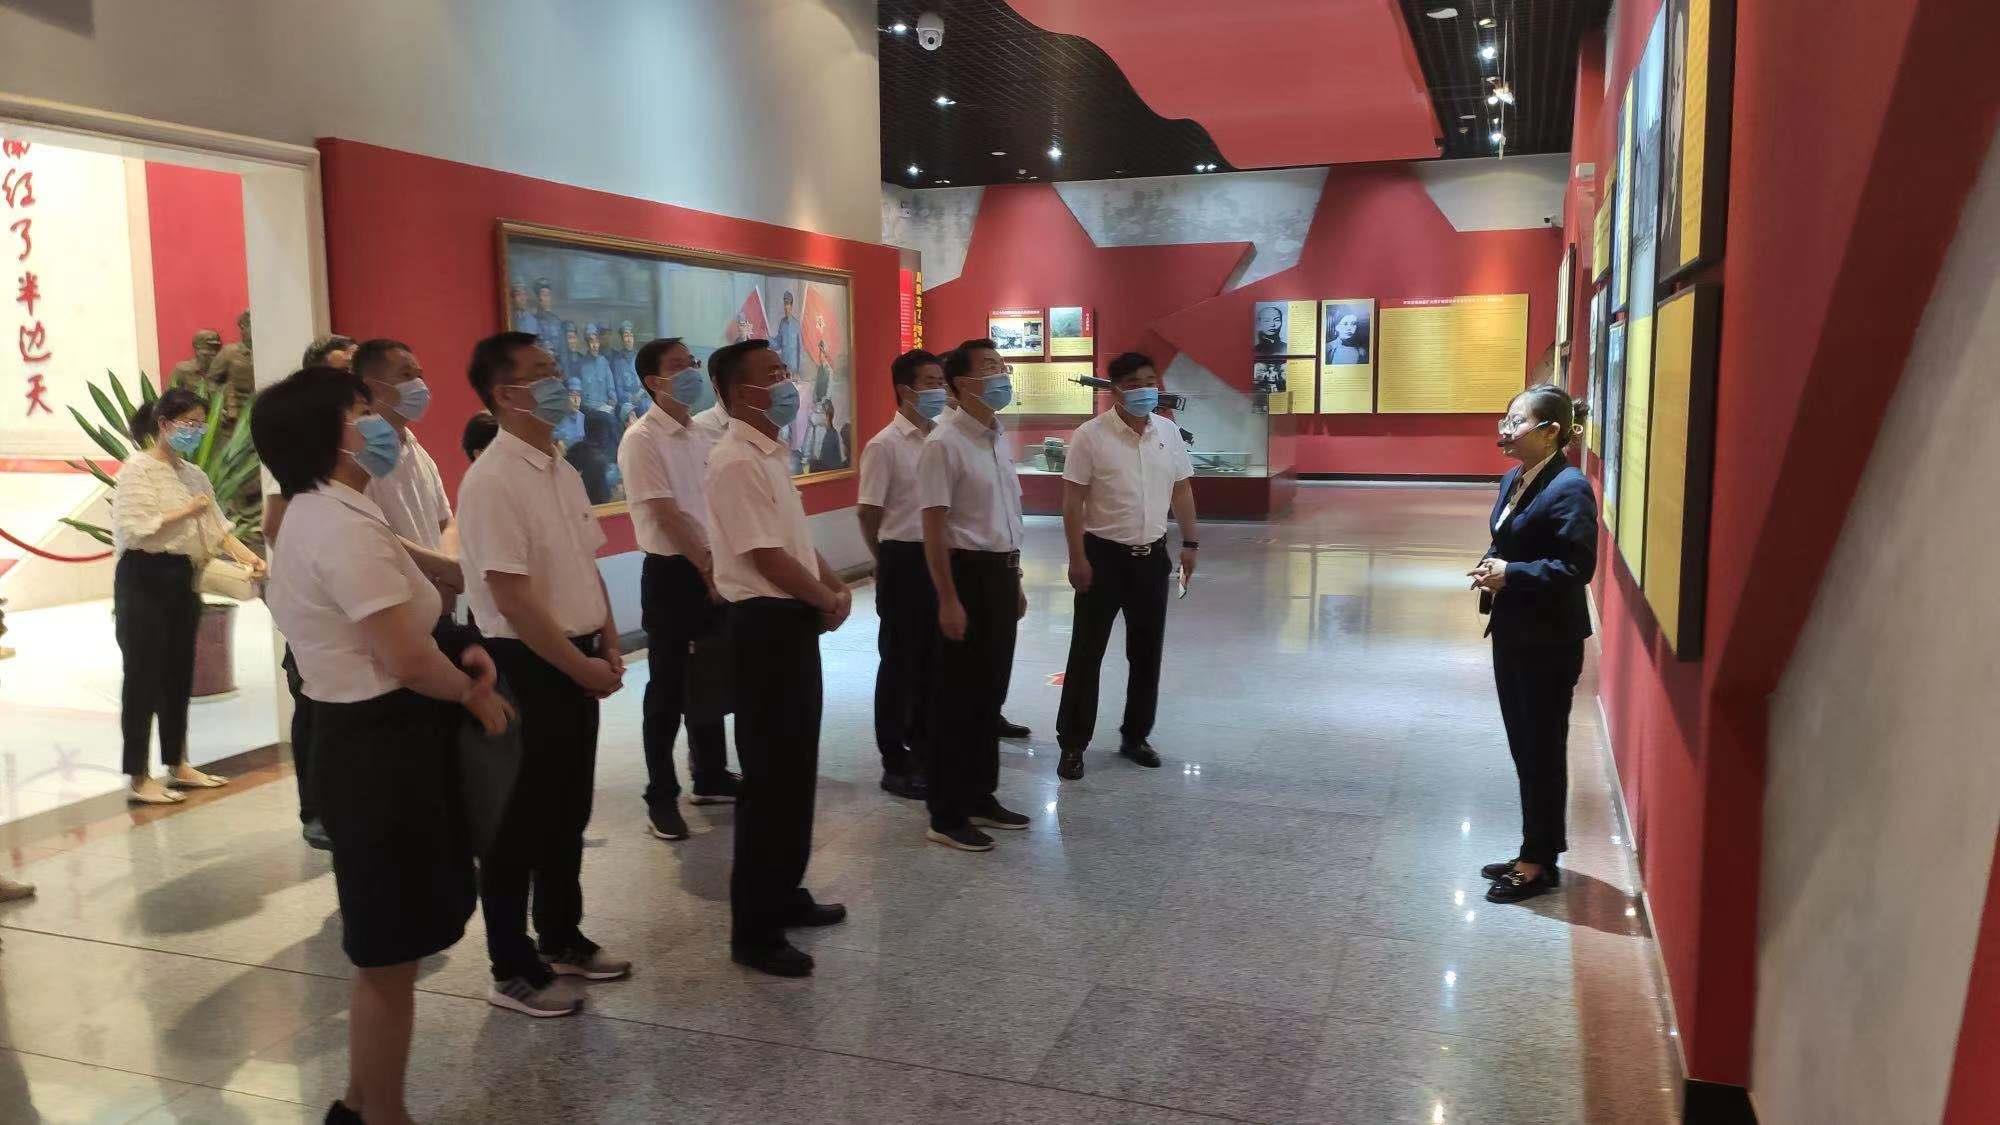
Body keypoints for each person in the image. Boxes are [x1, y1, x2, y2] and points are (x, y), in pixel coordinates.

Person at [254, 365, 513, 1125]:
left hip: (368, 741)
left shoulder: (327, 512)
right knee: (390, 952)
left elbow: (407, 624)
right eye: (360, 410)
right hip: (382, 750)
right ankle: (382, 1114)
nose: (379, 422)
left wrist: (459, 647)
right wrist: (473, 695)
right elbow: (402, 656)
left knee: (388, 950)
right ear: (325, 434)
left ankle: (362, 1103)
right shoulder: (338, 525)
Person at [460, 331, 631, 1015]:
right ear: (506, 394)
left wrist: (608, 643)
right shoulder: (493, 479)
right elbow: (512, 596)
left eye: (556, 368)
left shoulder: (559, 466)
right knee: (518, 821)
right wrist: (577, 662)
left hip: (574, 654)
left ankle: (562, 935)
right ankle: (511, 964)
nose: (560, 381)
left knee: (567, 809)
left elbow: (585, 564)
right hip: (527, 663)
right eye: (542, 372)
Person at [704, 338, 851, 977]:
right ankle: (754, 929)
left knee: (795, 767)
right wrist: (823, 597)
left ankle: (786, 891)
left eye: (784, 369)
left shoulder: (769, 454)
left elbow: (793, 541)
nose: (788, 382)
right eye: (773, 374)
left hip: (790, 623)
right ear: (743, 393)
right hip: (763, 626)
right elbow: (764, 556)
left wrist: (833, 585)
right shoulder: (734, 461)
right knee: (768, 779)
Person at [1469, 384, 1597, 904]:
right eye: (1506, 418)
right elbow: (1509, 537)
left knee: (1541, 748)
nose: (1506, 429)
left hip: (1548, 641)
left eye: (1517, 421)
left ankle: (1538, 862)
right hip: (1514, 631)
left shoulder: (1570, 487)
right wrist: (1492, 564)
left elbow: (1576, 567)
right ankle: (1537, 847)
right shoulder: (1516, 477)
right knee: (1525, 745)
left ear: (1551, 431)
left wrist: (1513, 574)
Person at [111, 387, 266, 805]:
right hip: (142, 577)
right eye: (189, 424)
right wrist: (188, 510)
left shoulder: (195, 475)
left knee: (178, 672)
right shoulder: (138, 469)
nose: (195, 432)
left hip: (182, 576)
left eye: (200, 424)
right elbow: (136, 527)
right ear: (164, 424)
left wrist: (252, 558)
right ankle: (138, 776)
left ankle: (178, 764)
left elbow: (218, 529)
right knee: (142, 676)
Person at [1055, 353, 1200, 781]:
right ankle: (1073, 743)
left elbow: (1182, 489)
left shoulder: (1167, 432)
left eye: (1150, 380)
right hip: (1102, 558)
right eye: (1135, 383)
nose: (1145, 390)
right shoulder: (1090, 436)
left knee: (1146, 652)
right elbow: (1072, 502)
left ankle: (1136, 736)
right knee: (1087, 653)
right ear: (1115, 389)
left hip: (1151, 558)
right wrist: (1077, 557)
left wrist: (1190, 541)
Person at [618, 337, 740, 841]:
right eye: (678, 366)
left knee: (711, 673)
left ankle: (710, 775)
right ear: (653, 381)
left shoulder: (701, 434)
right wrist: (707, 569)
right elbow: (666, 515)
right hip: (673, 574)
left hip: (713, 565)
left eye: (692, 362)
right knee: (667, 689)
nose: (690, 371)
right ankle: (660, 796)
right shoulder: (642, 438)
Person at [918, 340, 1033, 852]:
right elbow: (933, 528)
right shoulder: (943, 442)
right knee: (956, 698)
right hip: (965, 575)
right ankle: (945, 813)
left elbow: (1005, 518)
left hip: (1000, 575)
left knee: (990, 693)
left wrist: (1017, 579)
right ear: (962, 383)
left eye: (1001, 364)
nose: (1001, 373)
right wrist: (947, 598)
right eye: (990, 367)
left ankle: (980, 793)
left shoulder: (995, 436)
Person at [859, 349, 949, 800]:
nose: (940, 389)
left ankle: (925, 748)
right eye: (931, 381)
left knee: (933, 662)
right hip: (904, 558)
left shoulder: (943, 436)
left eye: (941, 381)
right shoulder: (885, 445)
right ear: (905, 389)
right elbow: (868, 512)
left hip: (939, 557)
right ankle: (894, 760)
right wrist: (884, 557)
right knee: (899, 663)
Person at [204, 310, 256, 424]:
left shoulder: (268, 352)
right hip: (235, 416)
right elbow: (211, 380)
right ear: (243, 328)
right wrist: (218, 406)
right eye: (251, 325)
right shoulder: (229, 352)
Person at [168, 330, 221, 395]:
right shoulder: (182, 371)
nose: (214, 353)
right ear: (197, 350)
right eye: (208, 349)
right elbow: (170, 397)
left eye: (216, 349)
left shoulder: (221, 374)